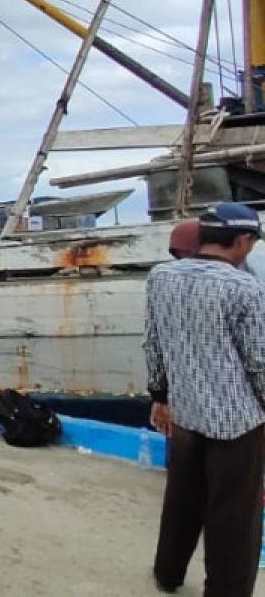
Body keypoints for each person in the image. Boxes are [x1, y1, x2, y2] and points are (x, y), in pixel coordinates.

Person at [144, 202, 265, 595]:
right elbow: (259, 362)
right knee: (234, 516)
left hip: (186, 411)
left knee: (181, 500)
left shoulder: (161, 277)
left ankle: (168, 573)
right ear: (243, 240)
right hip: (237, 421)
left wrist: (160, 396)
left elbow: (154, 343)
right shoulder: (244, 287)